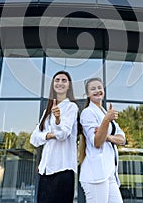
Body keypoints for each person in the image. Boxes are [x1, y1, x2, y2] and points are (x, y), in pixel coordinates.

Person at [30, 71, 78, 203]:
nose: (60, 83)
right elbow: (34, 138)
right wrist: (49, 135)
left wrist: (58, 120)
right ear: (53, 84)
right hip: (45, 169)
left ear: (69, 86)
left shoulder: (71, 107)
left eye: (64, 80)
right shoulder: (48, 110)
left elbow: (63, 134)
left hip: (63, 169)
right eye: (57, 80)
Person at [79, 77, 125, 203]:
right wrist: (106, 120)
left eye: (99, 87)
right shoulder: (88, 113)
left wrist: (108, 136)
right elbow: (97, 142)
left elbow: (122, 139)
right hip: (96, 175)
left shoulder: (105, 112)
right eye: (93, 89)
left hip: (109, 174)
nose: (97, 90)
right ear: (87, 94)